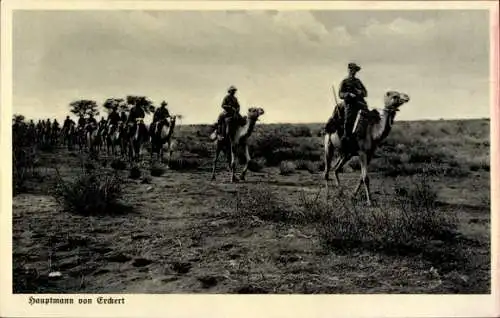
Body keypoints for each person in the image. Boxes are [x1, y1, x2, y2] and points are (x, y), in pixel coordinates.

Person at [338, 62, 368, 147]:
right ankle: (346, 140)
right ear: (349, 70)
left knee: (369, 116)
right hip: (350, 104)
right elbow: (340, 94)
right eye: (351, 70)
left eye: (354, 70)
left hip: (360, 104)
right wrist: (348, 94)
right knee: (349, 120)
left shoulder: (358, 82)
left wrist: (360, 92)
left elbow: (365, 93)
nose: (353, 72)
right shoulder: (344, 82)